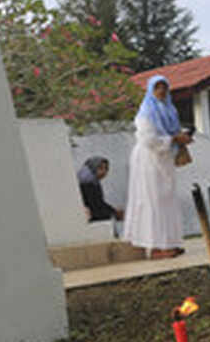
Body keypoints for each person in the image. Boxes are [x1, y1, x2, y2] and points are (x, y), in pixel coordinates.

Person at [122, 75, 193, 260]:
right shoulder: (146, 112)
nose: (161, 91)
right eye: (157, 87)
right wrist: (175, 139)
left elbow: (171, 133)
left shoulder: (170, 111)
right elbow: (148, 140)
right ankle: (154, 247)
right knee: (152, 201)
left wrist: (182, 138)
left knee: (166, 201)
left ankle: (169, 243)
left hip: (165, 160)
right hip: (149, 160)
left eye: (164, 87)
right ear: (150, 90)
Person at [77, 156, 124, 222]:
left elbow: (99, 203)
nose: (104, 172)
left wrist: (114, 211)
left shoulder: (93, 182)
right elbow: (95, 208)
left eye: (106, 169)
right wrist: (114, 213)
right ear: (93, 168)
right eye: (100, 168)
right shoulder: (87, 184)